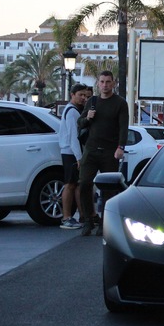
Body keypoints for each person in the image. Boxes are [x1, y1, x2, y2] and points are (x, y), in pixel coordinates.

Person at [77, 71, 129, 236]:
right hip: (91, 150)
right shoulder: (92, 101)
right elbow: (80, 123)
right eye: (102, 82)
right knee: (84, 183)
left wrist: (121, 147)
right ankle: (87, 220)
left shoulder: (120, 103)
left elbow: (123, 127)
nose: (105, 85)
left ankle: (104, 222)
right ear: (98, 84)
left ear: (113, 83)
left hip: (109, 151)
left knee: (108, 189)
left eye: (108, 82)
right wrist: (88, 118)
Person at [58, 83, 88, 229]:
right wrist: (78, 157)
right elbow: (73, 137)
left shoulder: (73, 111)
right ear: (72, 95)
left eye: (85, 95)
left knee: (75, 184)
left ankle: (81, 216)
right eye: (80, 95)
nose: (83, 98)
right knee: (70, 185)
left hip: (72, 153)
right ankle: (66, 217)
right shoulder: (72, 112)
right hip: (70, 153)